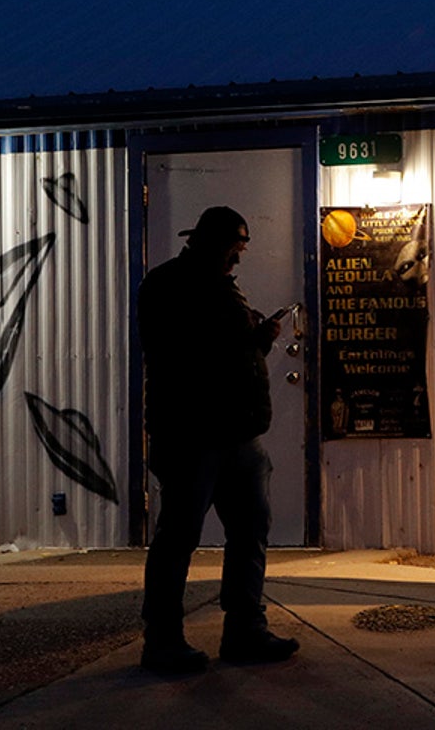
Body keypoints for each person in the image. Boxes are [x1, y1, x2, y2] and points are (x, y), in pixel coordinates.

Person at [137, 205, 299, 673]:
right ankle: (163, 640)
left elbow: (228, 348)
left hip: (237, 435)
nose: (239, 259)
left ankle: (245, 629)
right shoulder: (169, 285)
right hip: (192, 437)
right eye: (235, 249)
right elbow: (188, 355)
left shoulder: (218, 285)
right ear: (211, 243)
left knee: (250, 530)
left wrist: (256, 337)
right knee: (179, 538)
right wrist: (252, 336)